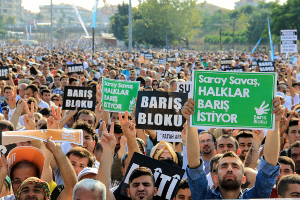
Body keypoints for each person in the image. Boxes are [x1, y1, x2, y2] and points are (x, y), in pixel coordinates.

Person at [181, 97, 282, 199]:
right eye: (224, 166)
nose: (229, 169)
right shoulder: (204, 197)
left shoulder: (255, 197)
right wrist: (190, 120)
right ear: (215, 178)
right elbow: (194, 165)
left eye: (235, 166)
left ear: (244, 179)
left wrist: (275, 121)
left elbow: (269, 167)